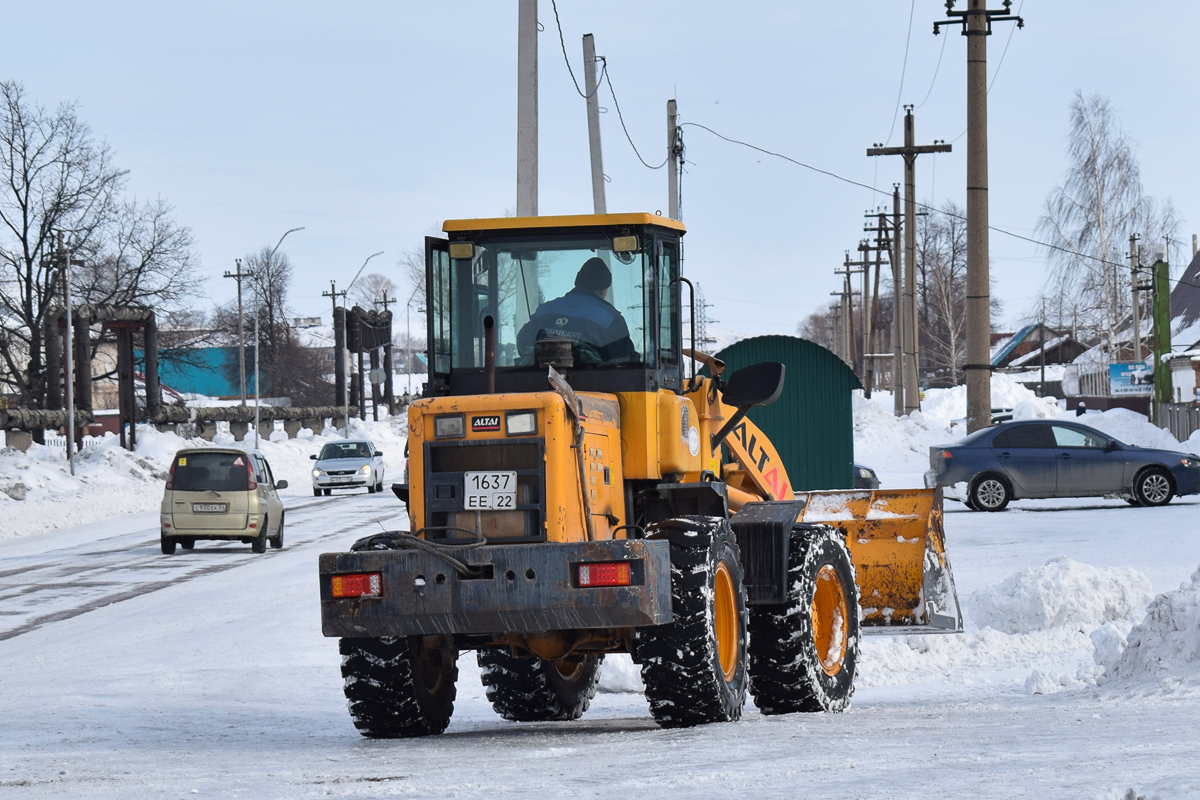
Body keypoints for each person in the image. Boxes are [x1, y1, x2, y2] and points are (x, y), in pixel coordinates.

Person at [517, 257, 637, 363]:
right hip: (591, 386)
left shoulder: (544, 310)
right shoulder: (611, 319)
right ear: (603, 289)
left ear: (578, 282)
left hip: (540, 384)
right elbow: (621, 365)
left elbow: (523, 345)